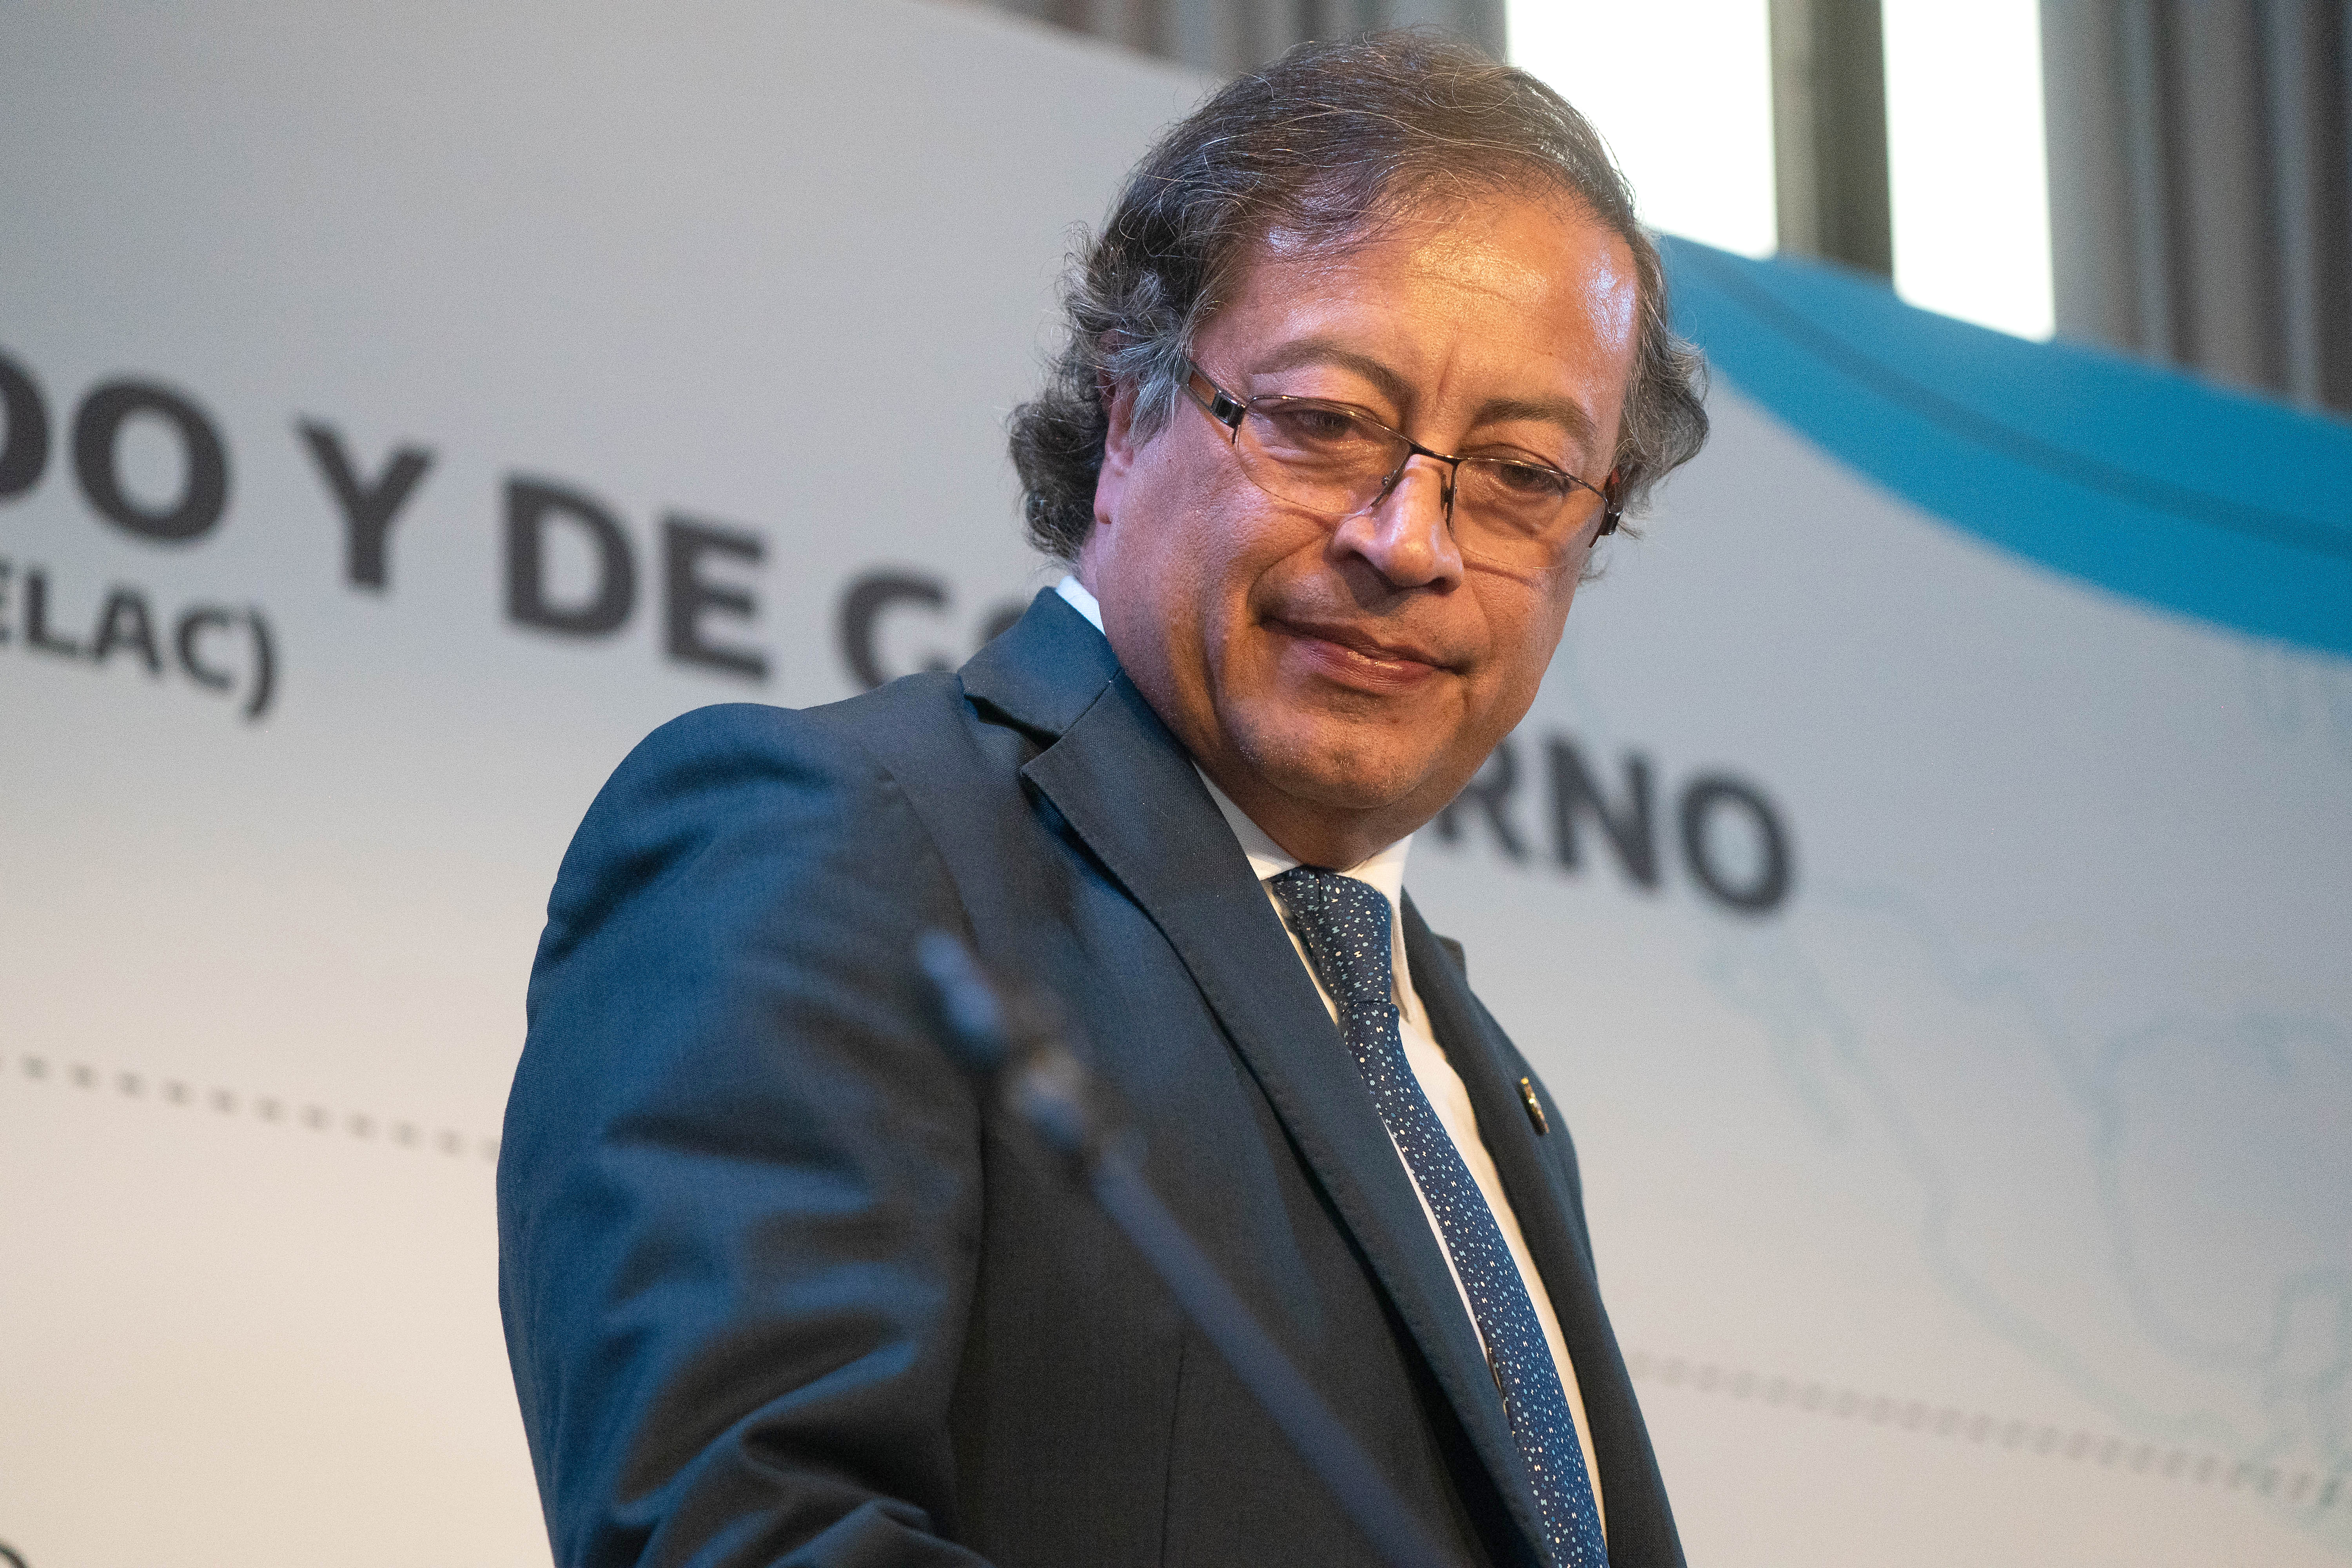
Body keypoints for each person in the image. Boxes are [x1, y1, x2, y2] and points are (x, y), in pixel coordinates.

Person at [499, 30, 1708, 1568]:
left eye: (1525, 474)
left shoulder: (1476, 1075)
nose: (1412, 540)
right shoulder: (829, 845)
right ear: (1130, 408)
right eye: (1326, 423)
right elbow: (751, 1535)